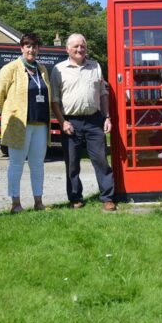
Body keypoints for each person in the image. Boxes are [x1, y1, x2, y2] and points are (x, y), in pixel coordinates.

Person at [50, 33, 116, 211]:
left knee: (101, 161)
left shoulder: (95, 66)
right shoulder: (58, 69)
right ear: (67, 49)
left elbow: (103, 93)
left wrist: (107, 116)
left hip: (94, 120)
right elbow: (54, 100)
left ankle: (107, 198)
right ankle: (75, 198)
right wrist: (62, 122)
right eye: (76, 46)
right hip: (70, 121)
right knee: (72, 163)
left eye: (82, 46)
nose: (80, 49)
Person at [0, 33, 53, 214]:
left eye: (34, 46)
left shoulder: (42, 69)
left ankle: (38, 201)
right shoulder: (10, 68)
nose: (31, 50)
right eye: (27, 46)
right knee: (16, 164)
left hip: (40, 125)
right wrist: (10, 113)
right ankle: (15, 203)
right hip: (19, 125)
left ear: (38, 49)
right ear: (21, 48)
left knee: (38, 164)